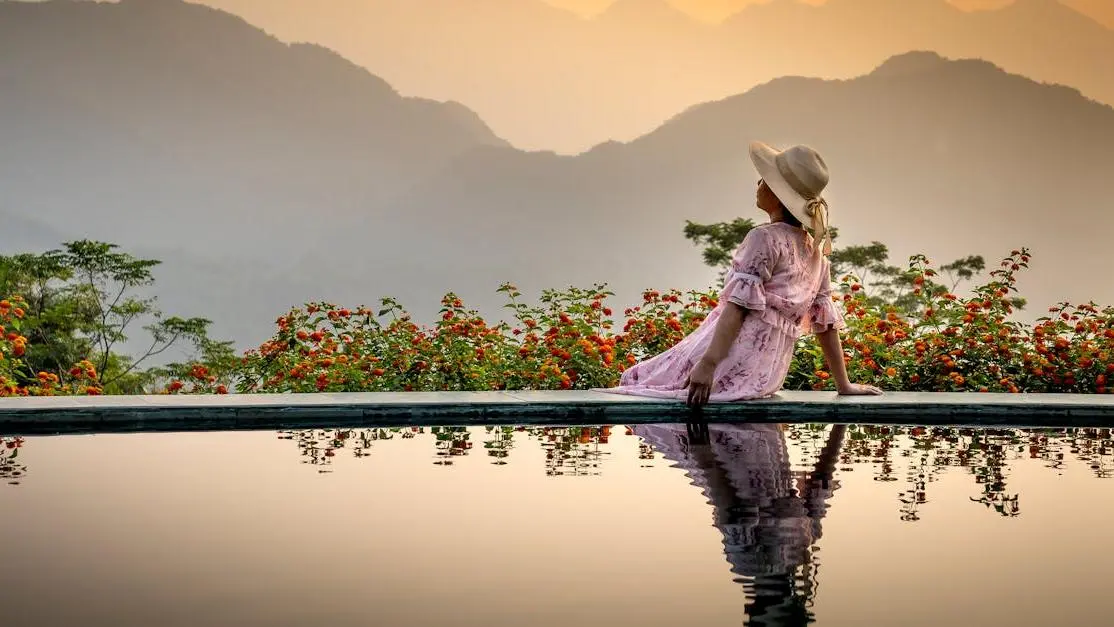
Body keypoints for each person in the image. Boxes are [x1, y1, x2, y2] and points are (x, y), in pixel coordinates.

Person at [600, 141, 883, 407]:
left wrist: (708, 364)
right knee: (646, 378)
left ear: (776, 192)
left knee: (637, 379)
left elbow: (737, 309)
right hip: (766, 375)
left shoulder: (764, 238)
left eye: (763, 180)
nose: (758, 185)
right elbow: (826, 326)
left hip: (731, 358)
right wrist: (843, 384)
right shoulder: (816, 253)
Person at [632, 422, 846, 626]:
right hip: (746, 439)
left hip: (735, 442)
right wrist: (840, 423)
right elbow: (823, 478)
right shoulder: (803, 545)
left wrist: (699, 443)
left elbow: (724, 500)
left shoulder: (749, 561)